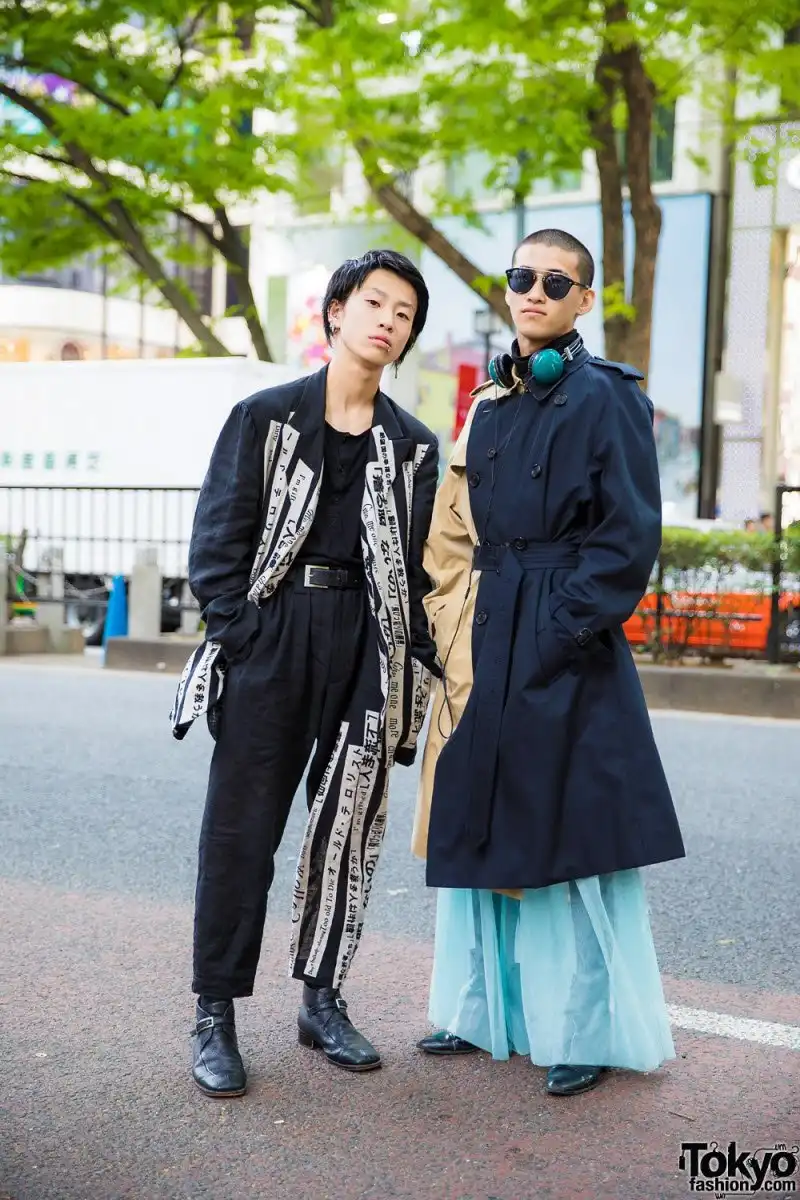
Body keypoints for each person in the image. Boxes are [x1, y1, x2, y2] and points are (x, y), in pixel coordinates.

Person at [411, 228, 685, 1097]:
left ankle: (585, 1031)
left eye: (555, 281)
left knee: (572, 842)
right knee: (483, 822)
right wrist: (455, 622)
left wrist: (562, 629)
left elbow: (628, 536)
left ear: (583, 300)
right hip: (488, 625)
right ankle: (479, 1012)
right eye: (521, 276)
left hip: (563, 636)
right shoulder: (491, 401)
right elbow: (459, 525)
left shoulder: (608, 397)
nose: (534, 291)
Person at [170, 249, 440, 1096]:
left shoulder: (413, 446)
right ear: (336, 313)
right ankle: (215, 1012)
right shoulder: (266, 418)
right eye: (375, 302)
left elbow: (421, 573)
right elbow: (217, 545)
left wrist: (412, 669)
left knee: (347, 827)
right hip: (276, 633)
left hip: (367, 642)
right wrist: (245, 638)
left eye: (404, 313)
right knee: (241, 832)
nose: (388, 320)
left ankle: (321, 1000)